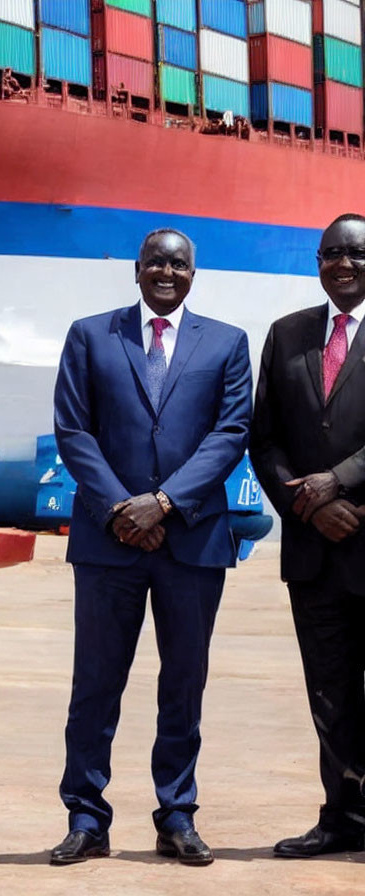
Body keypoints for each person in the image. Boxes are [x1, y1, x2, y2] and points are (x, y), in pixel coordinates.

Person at [50, 228, 251, 867]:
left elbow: (231, 432)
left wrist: (163, 504)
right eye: (155, 261)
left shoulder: (227, 343)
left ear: (194, 273)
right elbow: (73, 429)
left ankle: (177, 814)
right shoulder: (90, 335)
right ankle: (86, 817)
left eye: (178, 263)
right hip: (109, 541)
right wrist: (121, 508)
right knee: (95, 684)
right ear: (136, 269)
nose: (166, 271)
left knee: (183, 684)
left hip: (191, 541)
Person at [251, 213, 365, 858]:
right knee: (330, 691)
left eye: (355, 253)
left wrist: (341, 485)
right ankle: (344, 817)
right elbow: (263, 437)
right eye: (331, 253)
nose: (343, 264)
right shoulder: (287, 333)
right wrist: (307, 507)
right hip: (314, 548)